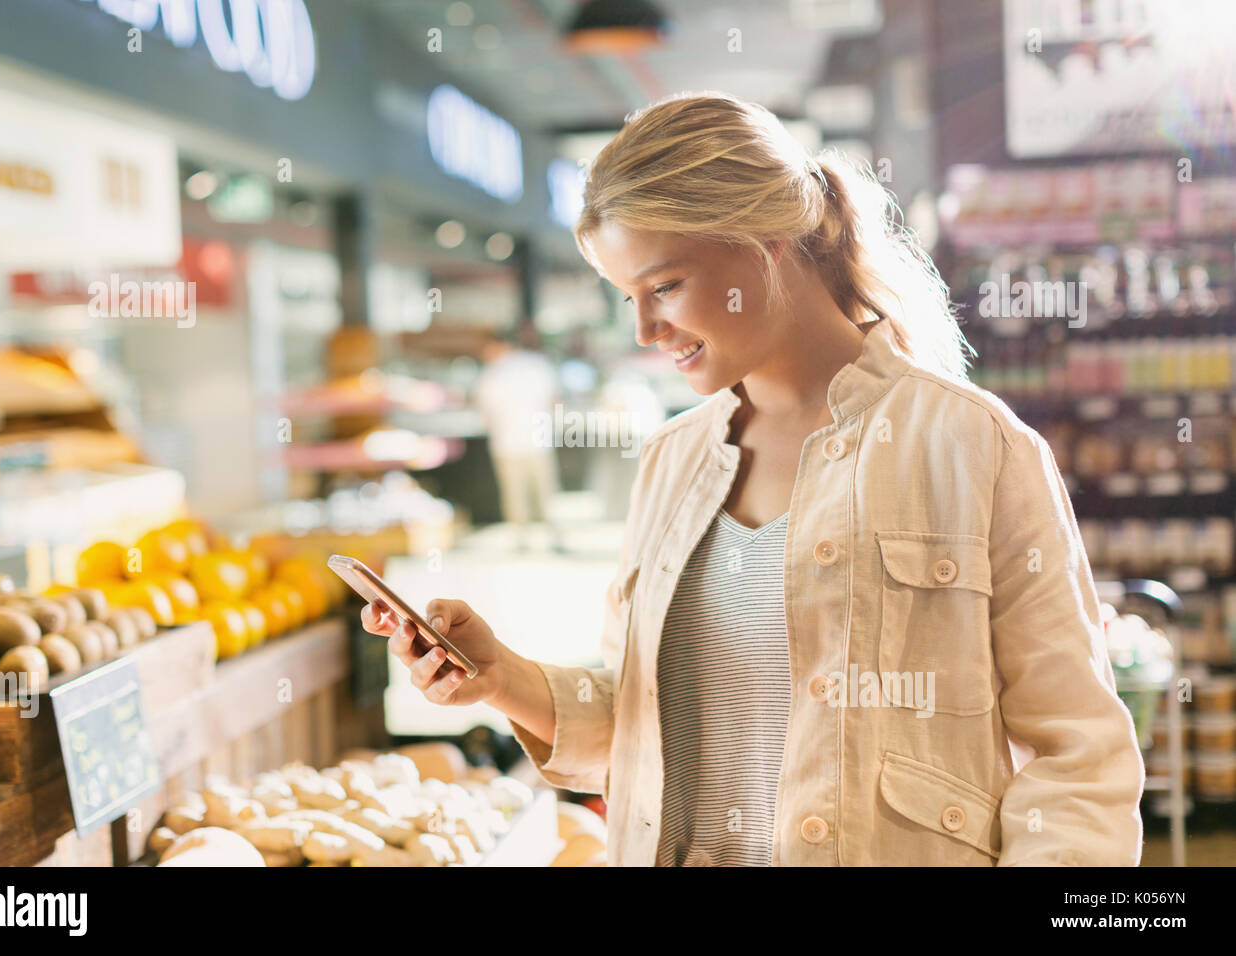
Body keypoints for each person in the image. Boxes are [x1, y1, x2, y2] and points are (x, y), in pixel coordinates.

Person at [362, 92, 1144, 866]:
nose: (644, 330)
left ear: (765, 239)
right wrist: (503, 679)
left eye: (664, 286)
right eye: (627, 297)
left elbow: (1078, 761)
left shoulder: (974, 446)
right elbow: (645, 733)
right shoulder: (672, 461)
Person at [472, 326, 564, 552]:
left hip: (506, 442)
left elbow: (486, 414)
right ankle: (554, 538)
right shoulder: (537, 364)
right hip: (539, 440)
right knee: (546, 491)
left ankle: (520, 539)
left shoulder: (491, 374)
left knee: (514, 493)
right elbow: (554, 401)